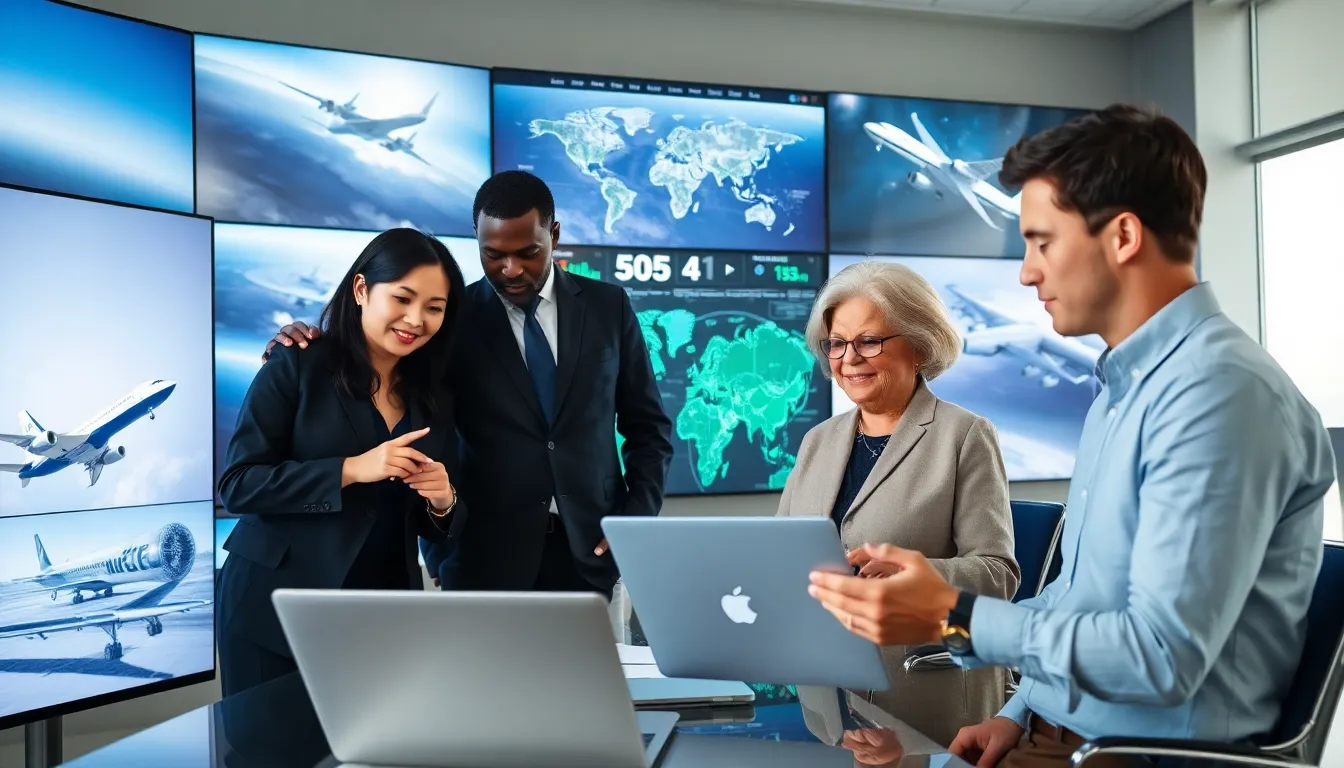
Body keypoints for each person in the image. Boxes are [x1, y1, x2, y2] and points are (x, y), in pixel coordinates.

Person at [806, 104, 1337, 767]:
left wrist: (951, 612)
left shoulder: (1219, 396)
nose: (1027, 271)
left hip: (1142, 755)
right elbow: (1077, 598)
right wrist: (1016, 711)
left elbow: (1159, 658)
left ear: (1121, 237)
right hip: (1059, 733)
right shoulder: (1123, 392)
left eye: (1041, 241)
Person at [264, 171, 673, 597]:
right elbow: (418, 424)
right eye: (493, 254)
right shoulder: (448, 320)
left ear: (554, 233)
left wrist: (635, 522)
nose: (510, 269)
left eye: (528, 252)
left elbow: (649, 428)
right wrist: (438, 549)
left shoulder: (609, 307)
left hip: (592, 550)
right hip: (480, 556)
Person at [217, 228, 470, 697]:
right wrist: (351, 469)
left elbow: (432, 524)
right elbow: (237, 485)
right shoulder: (297, 364)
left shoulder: (433, 398)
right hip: (276, 608)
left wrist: (443, 502)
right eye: (403, 298)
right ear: (361, 290)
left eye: (434, 308)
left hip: (380, 611)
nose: (416, 319)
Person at [778, 259, 1019, 745]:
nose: (848, 359)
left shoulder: (964, 435)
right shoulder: (818, 441)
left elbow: (999, 574)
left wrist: (917, 575)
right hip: (828, 696)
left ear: (920, 343)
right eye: (837, 344)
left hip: (928, 695)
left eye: (868, 341)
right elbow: (780, 553)